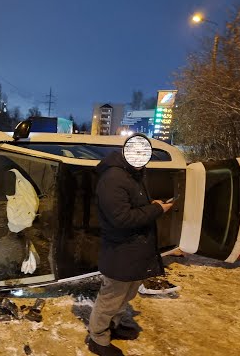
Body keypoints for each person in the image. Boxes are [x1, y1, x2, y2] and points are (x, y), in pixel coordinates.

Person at [88, 140, 173, 356]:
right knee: (111, 297)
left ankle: (113, 326)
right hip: (120, 250)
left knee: (126, 294)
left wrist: (152, 204)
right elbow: (121, 218)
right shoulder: (113, 178)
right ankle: (97, 338)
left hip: (134, 249)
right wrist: (156, 210)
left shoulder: (133, 173)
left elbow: (132, 205)